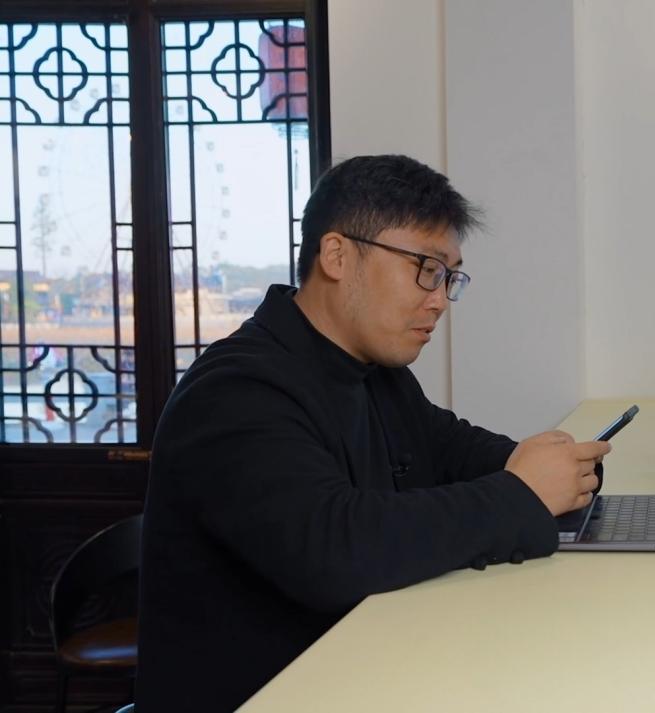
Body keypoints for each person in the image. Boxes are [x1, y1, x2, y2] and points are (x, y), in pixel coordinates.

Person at [137, 155, 609, 711]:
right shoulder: (234, 390)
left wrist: (561, 469)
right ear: (337, 255)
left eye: (449, 277)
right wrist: (523, 493)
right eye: (425, 268)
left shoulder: (377, 373)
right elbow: (335, 550)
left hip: (368, 670)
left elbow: (459, 451)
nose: (439, 299)